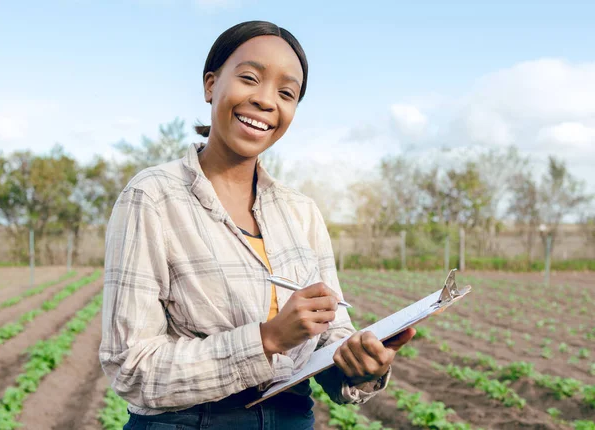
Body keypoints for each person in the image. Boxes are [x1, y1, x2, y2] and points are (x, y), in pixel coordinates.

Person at [99, 20, 415, 430]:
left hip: (291, 419)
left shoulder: (301, 212)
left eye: (287, 93)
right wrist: (266, 340)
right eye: (250, 78)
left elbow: (328, 334)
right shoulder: (153, 196)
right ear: (211, 85)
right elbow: (131, 367)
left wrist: (357, 362)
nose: (267, 101)